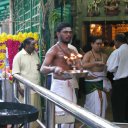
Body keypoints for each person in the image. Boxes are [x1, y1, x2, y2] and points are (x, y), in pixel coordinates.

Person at [40, 22, 81, 128]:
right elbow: (42, 69)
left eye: (70, 32)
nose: (68, 34)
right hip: (59, 86)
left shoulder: (72, 51)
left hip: (70, 85)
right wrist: (54, 68)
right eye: (65, 32)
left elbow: (79, 68)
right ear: (58, 34)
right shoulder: (53, 50)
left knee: (71, 117)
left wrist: (76, 65)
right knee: (60, 118)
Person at [12, 37, 42, 128]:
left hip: (36, 88)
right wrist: (19, 89)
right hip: (26, 90)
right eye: (32, 44)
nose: (34, 46)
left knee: (36, 113)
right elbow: (15, 75)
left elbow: (38, 67)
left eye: (35, 44)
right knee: (27, 114)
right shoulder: (19, 56)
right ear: (26, 45)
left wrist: (40, 67)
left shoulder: (35, 54)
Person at [82, 36, 111, 118]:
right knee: (94, 102)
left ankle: (100, 123)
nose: (99, 46)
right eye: (97, 44)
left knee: (102, 101)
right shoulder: (88, 55)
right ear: (92, 44)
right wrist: (95, 64)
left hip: (102, 81)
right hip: (91, 83)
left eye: (100, 44)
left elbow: (109, 67)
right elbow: (83, 65)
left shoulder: (105, 56)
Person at [107, 33, 128, 122]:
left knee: (119, 107)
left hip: (120, 83)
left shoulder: (117, 52)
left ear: (117, 41)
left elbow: (110, 68)